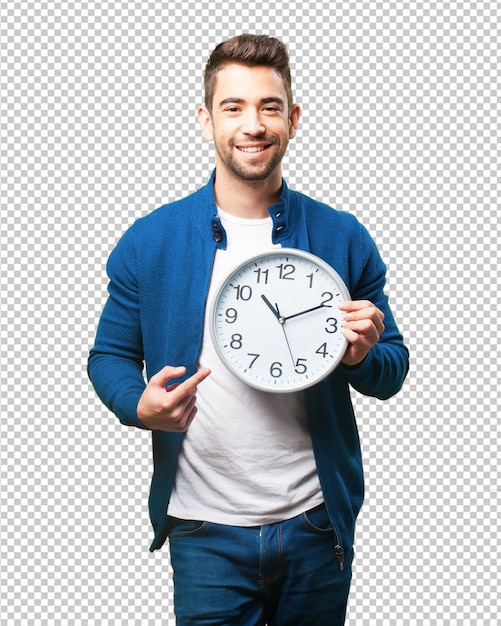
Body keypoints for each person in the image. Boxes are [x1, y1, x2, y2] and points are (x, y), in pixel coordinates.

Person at [88, 34, 409, 626]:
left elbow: (392, 369)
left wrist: (363, 354)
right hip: (203, 527)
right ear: (206, 119)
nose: (253, 124)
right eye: (233, 107)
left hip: (315, 522)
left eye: (269, 106)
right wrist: (139, 405)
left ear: (293, 119)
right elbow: (108, 355)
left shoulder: (342, 236)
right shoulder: (150, 240)